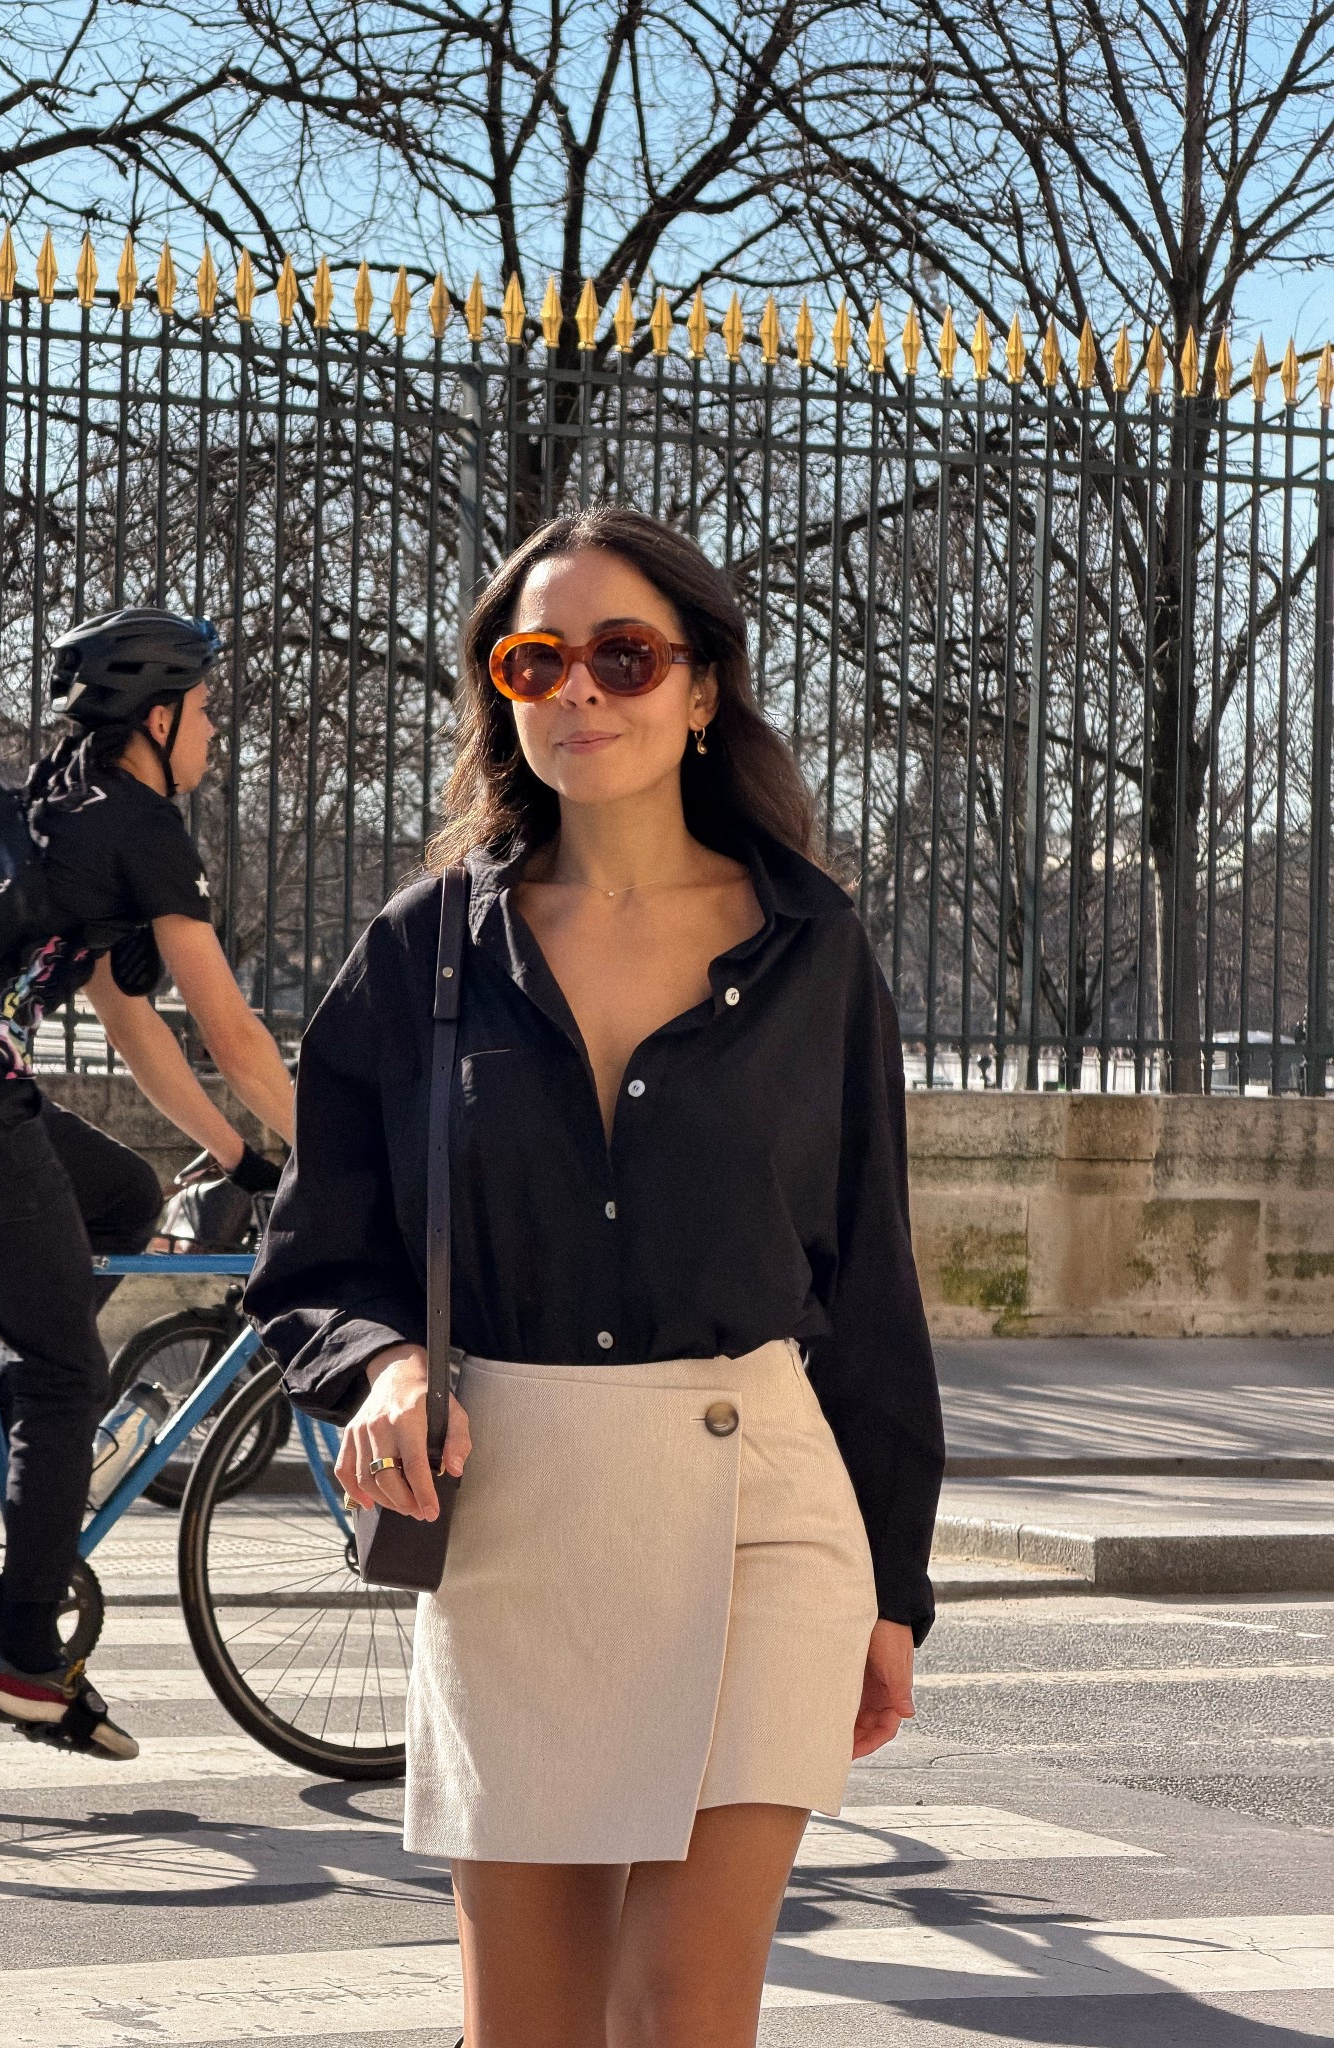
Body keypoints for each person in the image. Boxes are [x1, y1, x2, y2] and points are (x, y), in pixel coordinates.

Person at [248, 506, 944, 2047]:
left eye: (625, 655)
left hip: (759, 1501)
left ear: (703, 690)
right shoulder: (424, 953)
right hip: (518, 1521)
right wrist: (389, 1369)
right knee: (537, 2031)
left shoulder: (813, 949)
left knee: (682, 2016)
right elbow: (320, 1256)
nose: (582, 690)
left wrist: (895, 1589)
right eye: (536, 657)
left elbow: (873, 1289)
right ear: (502, 693)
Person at [0, 607, 295, 1759]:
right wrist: (341, 1158)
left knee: (128, 1198)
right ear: (159, 716)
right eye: (208, 714)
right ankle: (30, 1660)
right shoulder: (141, 826)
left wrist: (245, 1154)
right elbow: (234, 1033)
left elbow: (136, 1026)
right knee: (65, 1369)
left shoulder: (64, 808)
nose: (216, 737)